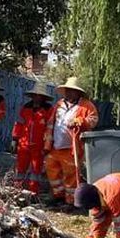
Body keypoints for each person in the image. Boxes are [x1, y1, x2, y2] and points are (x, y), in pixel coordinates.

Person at [43, 76, 99, 207]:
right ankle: (58, 197)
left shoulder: (86, 105)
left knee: (71, 175)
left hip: (72, 147)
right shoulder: (59, 104)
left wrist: (79, 121)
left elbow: (93, 120)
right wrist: (47, 142)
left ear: (78, 92)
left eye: (72, 90)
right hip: (55, 145)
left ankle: (71, 201)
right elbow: (50, 123)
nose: (69, 93)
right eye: (67, 90)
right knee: (52, 170)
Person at [11, 81, 52, 195]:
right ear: (33, 95)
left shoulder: (49, 109)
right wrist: (15, 139)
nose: (37, 97)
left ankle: (33, 193)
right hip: (23, 144)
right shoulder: (26, 107)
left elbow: (50, 128)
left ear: (43, 97)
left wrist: (48, 145)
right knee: (20, 168)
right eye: (35, 95)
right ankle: (16, 190)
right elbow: (19, 123)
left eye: (40, 95)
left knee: (36, 170)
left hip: (39, 145)